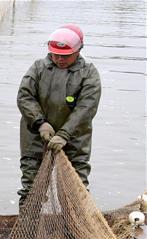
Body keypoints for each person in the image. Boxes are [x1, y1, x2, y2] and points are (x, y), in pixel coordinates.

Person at [17, 25, 101, 203]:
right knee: (31, 188)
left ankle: (72, 228)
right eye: (56, 55)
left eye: (65, 56)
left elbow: (86, 108)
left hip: (74, 140)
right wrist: (40, 123)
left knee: (74, 189)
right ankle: (29, 227)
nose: (60, 59)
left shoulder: (88, 73)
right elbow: (25, 97)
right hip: (35, 137)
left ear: (78, 51)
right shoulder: (38, 68)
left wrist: (64, 133)